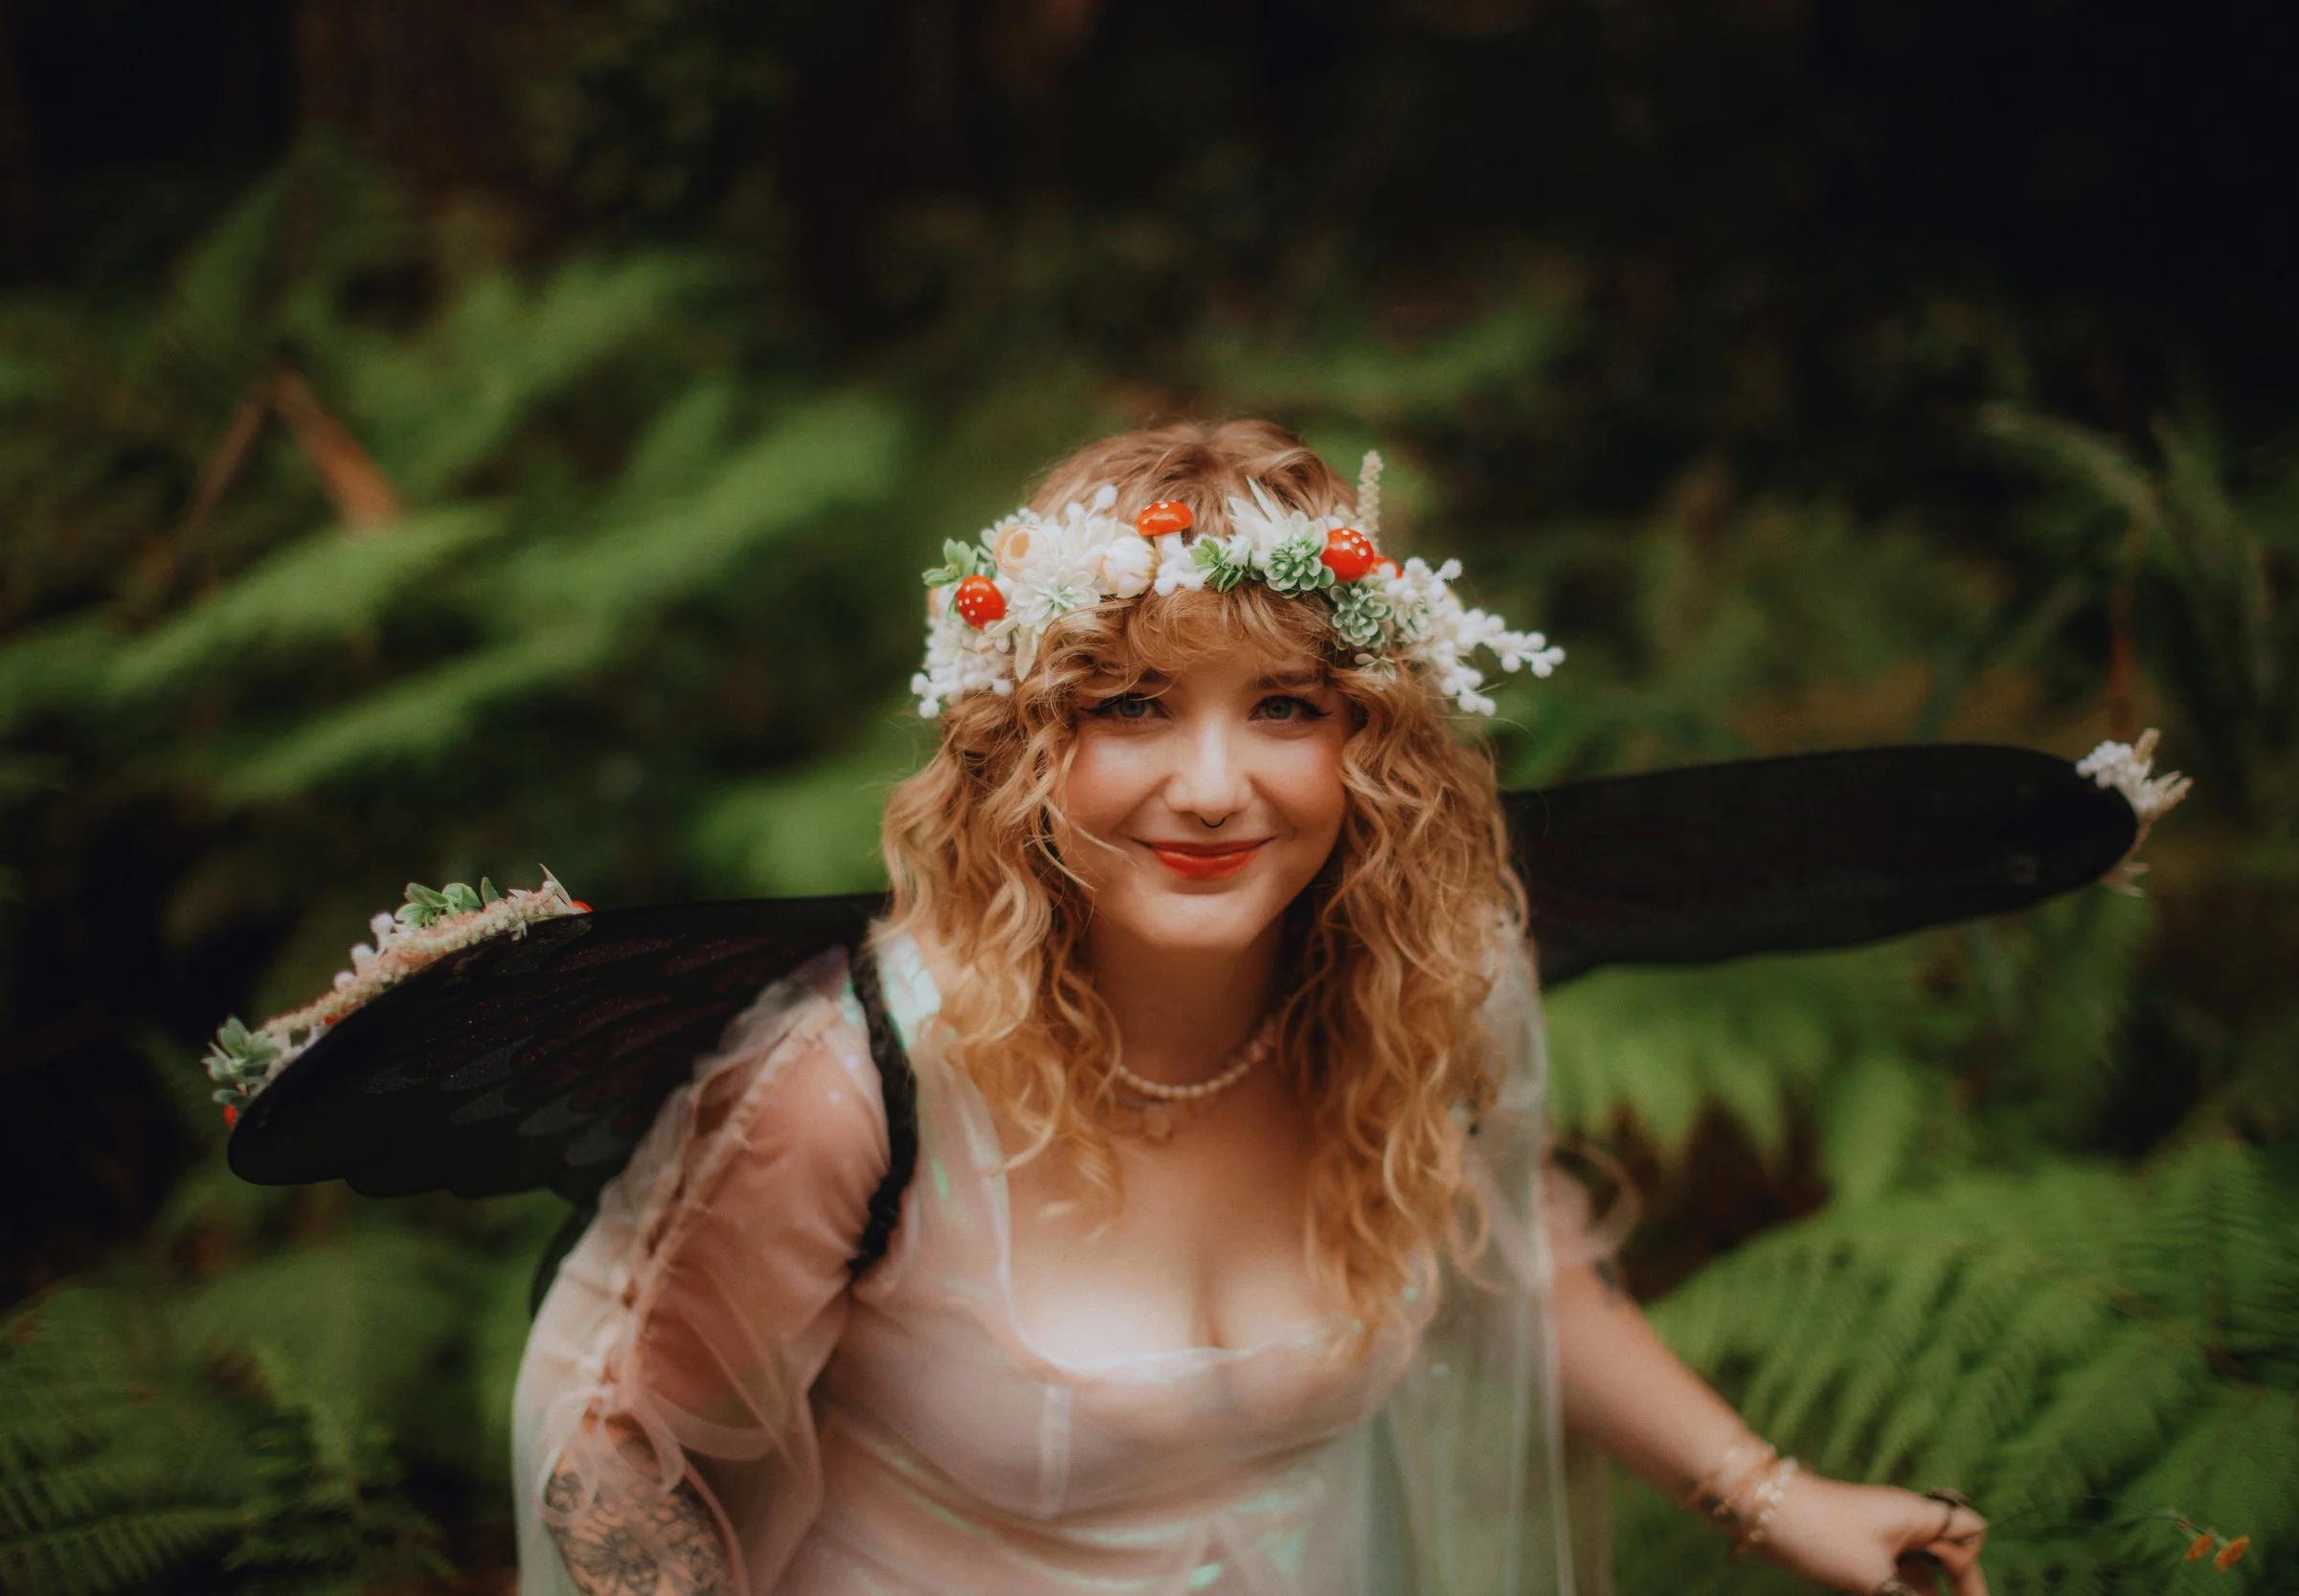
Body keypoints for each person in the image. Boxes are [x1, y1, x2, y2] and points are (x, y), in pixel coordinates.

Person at [508, 420, 1993, 1596]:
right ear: (1023, 749)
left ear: (1370, 739)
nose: (1214, 787)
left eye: (1284, 704)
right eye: (1133, 705)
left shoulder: (1425, 993)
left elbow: (1508, 1252)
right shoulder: (858, 1080)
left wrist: (1775, 1495)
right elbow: (619, 1439)